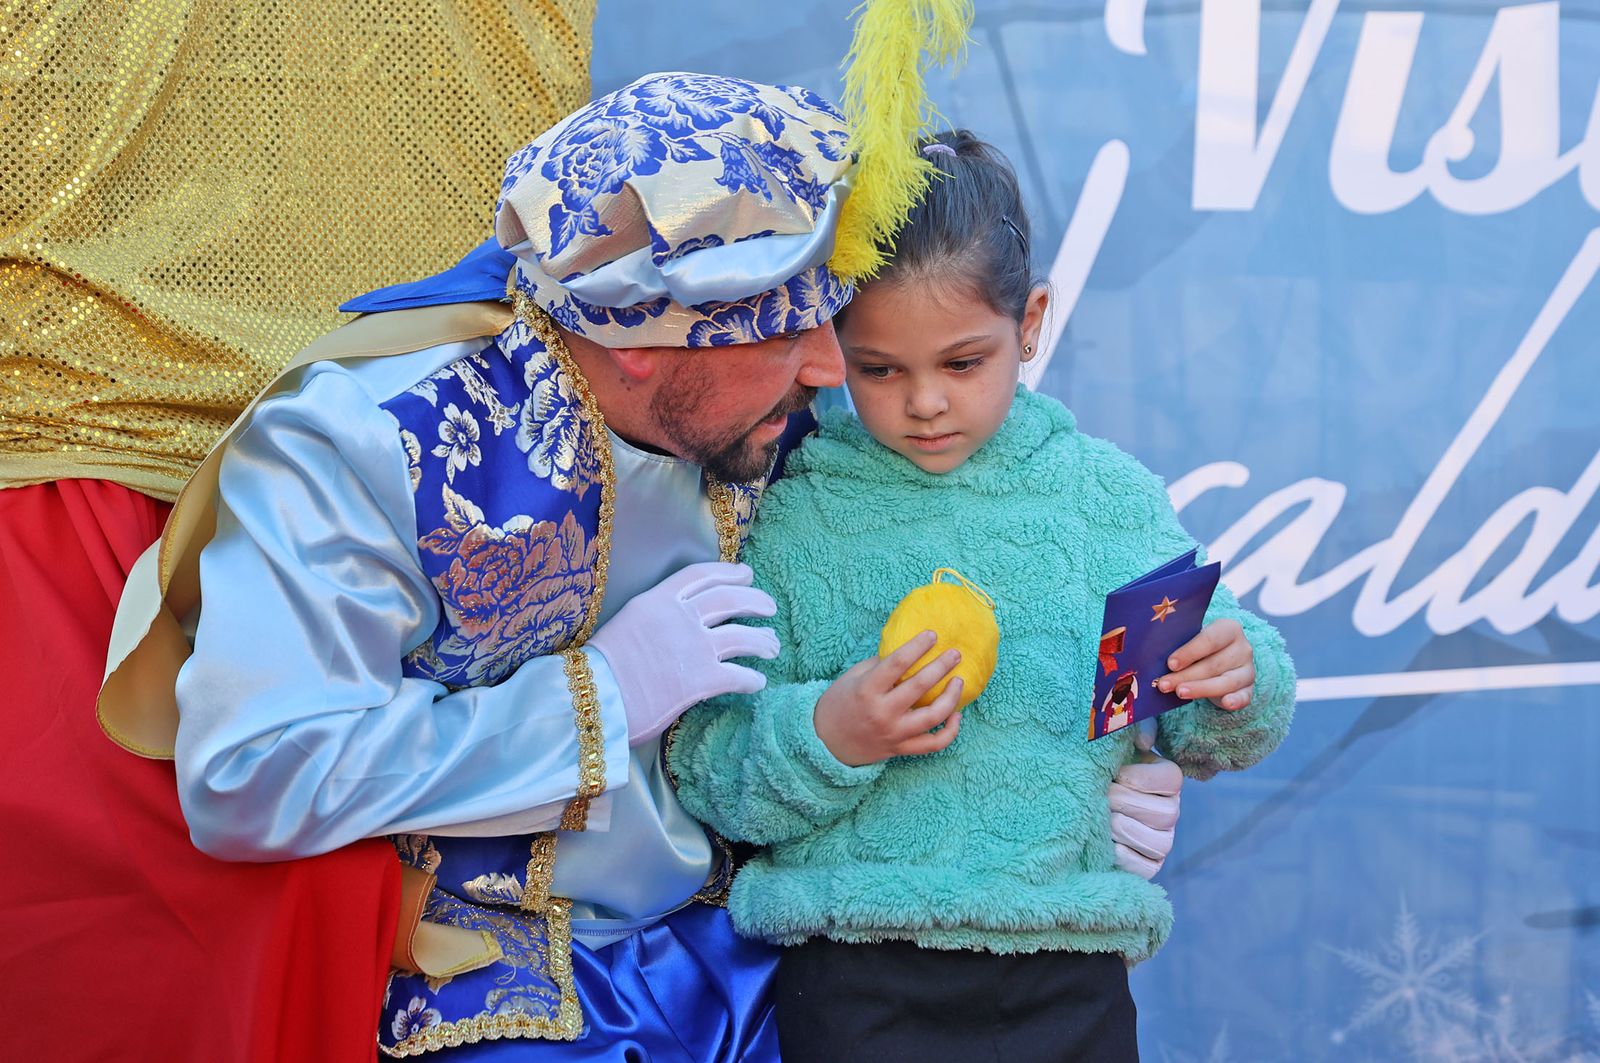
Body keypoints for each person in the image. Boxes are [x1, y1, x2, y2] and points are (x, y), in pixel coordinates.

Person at [97, 79, 1191, 1058]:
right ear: (640, 345)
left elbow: (1007, 544)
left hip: (775, 958)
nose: (832, 369)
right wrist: (599, 698)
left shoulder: (781, 418)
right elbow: (250, 776)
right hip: (502, 986)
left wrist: (1093, 773)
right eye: (789, 331)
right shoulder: (365, 445)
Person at [667, 130, 1297, 1063]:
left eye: (963, 362)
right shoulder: (791, 517)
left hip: (1068, 964)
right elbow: (707, 768)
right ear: (831, 345)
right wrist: (832, 731)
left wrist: (1235, 674)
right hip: (856, 971)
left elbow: (1205, 729)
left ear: (1031, 321)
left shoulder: (1105, 502)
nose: (924, 401)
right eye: (880, 369)